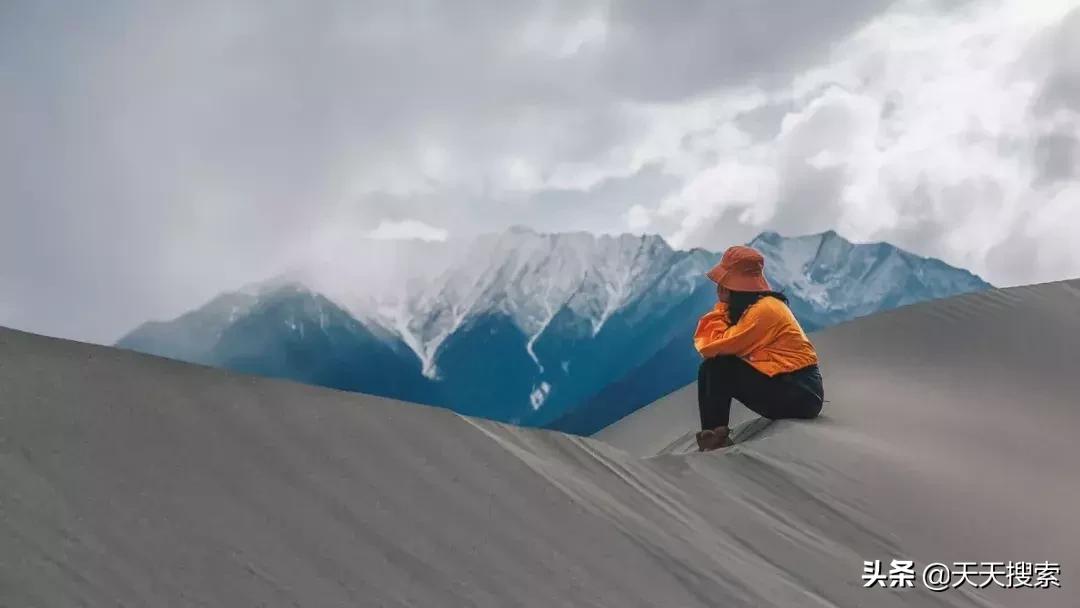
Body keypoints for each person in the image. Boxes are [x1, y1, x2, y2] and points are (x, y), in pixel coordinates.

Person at [693, 245, 824, 451]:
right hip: (793, 387)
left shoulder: (764, 311)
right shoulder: (756, 307)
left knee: (716, 367)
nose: (719, 286)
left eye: (724, 281)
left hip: (801, 393)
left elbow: (711, 346)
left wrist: (721, 307)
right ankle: (713, 437)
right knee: (712, 368)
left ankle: (714, 441)